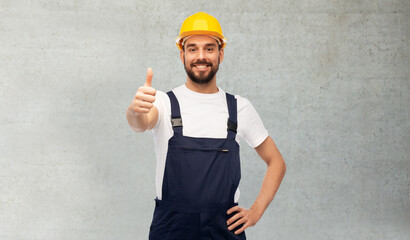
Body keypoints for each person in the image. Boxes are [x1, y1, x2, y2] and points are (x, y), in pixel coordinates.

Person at [126, 12, 286, 240]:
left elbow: (276, 162)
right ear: (182, 55)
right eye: (192, 49)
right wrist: (135, 109)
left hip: (224, 229)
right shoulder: (162, 102)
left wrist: (256, 212)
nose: (201, 56)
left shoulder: (239, 108)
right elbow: (139, 123)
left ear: (221, 54)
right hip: (171, 228)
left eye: (209, 48)